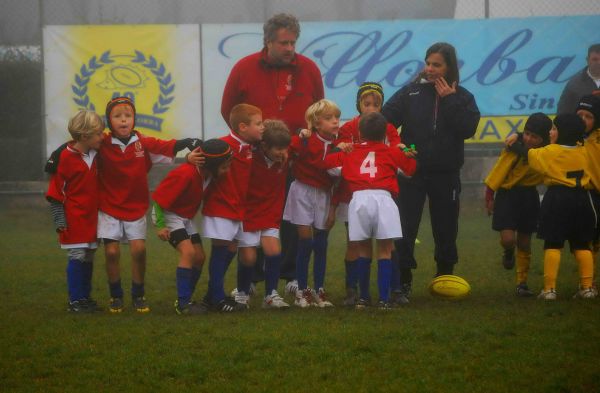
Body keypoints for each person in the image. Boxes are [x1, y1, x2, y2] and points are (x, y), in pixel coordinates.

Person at [221, 13, 325, 293]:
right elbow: (229, 111)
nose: (290, 48)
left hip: (296, 158)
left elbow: (317, 113)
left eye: (293, 42)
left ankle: (290, 275)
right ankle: (252, 277)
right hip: (255, 160)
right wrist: (254, 142)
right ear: (267, 41)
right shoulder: (244, 68)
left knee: (293, 216)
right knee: (253, 215)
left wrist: (296, 146)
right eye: (283, 43)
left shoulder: (309, 69)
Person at [382, 42, 480, 304]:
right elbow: (384, 120)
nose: (431, 69)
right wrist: (399, 145)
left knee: (445, 227)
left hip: (446, 173)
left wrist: (448, 99)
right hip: (412, 173)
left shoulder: (463, 97)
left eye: (437, 64)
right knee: (405, 226)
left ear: (449, 67)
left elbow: (466, 128)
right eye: (428, 63)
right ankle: (403, 281)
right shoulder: (411, 93)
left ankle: (444, 277)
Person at [98, 97, 201, 313]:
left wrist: (186, 145)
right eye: (117, 116)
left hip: (135, 207)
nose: (123, 120)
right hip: (108, 207)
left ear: (134, 119)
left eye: (128, 115)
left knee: (138, 250)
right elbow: (80, 144)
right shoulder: (102, 144)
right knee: (111, 252)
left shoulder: (142, 143)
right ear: (109, 121)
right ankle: (116, 295)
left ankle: (138, 294)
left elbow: (165, 147)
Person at [325, 112, 417, 309]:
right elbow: (409, 170)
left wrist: (336, 149)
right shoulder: (392, 151)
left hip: (359, 200)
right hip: (384, 199)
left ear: (360, 132)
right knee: (385, 249)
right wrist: (408, 153)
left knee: (363, 248)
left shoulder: (350, 152)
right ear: (384, 133)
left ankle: (364, 299)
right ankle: (384, 299)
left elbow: (329, 165)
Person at [330, 81, 402, 306]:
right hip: (352, 193)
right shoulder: (349, 127)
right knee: (355, 243)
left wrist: (401, 150)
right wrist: (340, 148)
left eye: (376, 104)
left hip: (380, 191)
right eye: (366, 103)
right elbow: (337, 150)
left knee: (387, 244)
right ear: (359, 104)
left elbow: (398, 147)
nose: (371, 108)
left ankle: (394, 289)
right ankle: (353, 291)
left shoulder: (387, 128)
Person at [152, 139, 233, 315]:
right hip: (169, 215)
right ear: (211, 166)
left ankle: (186, 297)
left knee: (199, 257)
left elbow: (208, 148)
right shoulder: (185, 174)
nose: (227, 171)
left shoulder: (207, 172)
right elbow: (158, 200)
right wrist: (160, 226)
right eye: (224, 167)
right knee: (188, 253)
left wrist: (190, 155)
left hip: (186, 218)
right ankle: (183, 304)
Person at [524, 114, 596, 300]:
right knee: (581, 244)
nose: (550, 131)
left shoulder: (550, 151)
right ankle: (587, 288)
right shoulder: (584, 150)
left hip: (557, 199)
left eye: (554, 128)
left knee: (553, 244)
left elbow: (530, 155)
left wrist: (517, 139)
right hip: (582, 199)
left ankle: (549, 290)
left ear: (562, 133)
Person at [283, 99, 347, 308]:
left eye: (336, 117)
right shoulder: (305, 140)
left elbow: (340, 177)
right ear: (316, 123)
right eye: (329, 118)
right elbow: (286, 153)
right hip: (302, 190)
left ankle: (319, 290)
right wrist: (300, 136)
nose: (335, 122)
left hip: (324, 195)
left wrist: (332, 207)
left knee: (321, 243)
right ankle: (302, 291)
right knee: (305, 240)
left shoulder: (341, 144)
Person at [200, 103, 264, 312]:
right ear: (243, 127)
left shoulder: (249, 147)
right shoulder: (223, 146)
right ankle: (217, 298)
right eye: (258, 123)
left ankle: (212, 294)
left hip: (237, 209)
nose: (262, 127)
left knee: (230, 249)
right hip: (221, 207)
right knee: (221, 249)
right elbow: (200, 159)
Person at [484, 113, 553, 297]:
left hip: (529, 197)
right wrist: (489, 196)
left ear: (543, 139)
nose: (529, 139)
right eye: (527, 134)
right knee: (508, 240)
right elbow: (498, 170)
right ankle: (508, 252)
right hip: (507, 195)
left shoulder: (547, 153)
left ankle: (522, 283)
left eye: (534, 136)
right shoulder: (513, 147)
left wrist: (518, 136)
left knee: (524, 242)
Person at [45, 110, 104, 312]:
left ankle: (85, 298)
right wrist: (60, 222)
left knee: (88, 256)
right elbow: (55, 195)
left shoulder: (96, 154)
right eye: (98, 134)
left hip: (92, 220)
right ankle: (75, 301)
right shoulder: (65, 158)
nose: (102, 137)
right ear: (85, 136)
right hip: (74, 220)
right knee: (77, 256)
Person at [232, 120, 292, 309]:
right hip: (249, 213)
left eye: (285, 148)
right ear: (264, 146)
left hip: (270, 212)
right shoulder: (249, 156)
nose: (282, 153)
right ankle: (242, 292)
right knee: (249, 257)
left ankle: (270, 295)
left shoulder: (284, 158)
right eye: (278, 149)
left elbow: (305, 142)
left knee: (274, 251)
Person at [575, 95, 600, 285]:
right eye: (580, 115)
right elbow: (542, 134)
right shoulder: (573, 138)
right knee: (586, 240)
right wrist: (518, 135)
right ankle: (588, 283)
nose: (583, 120)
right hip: (586, 195)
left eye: (588, 116)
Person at [557, 44, 600, 114]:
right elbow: (562, 113)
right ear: (587, 60)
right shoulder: (574, 84)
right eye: (595, 59)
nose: (599, 63)